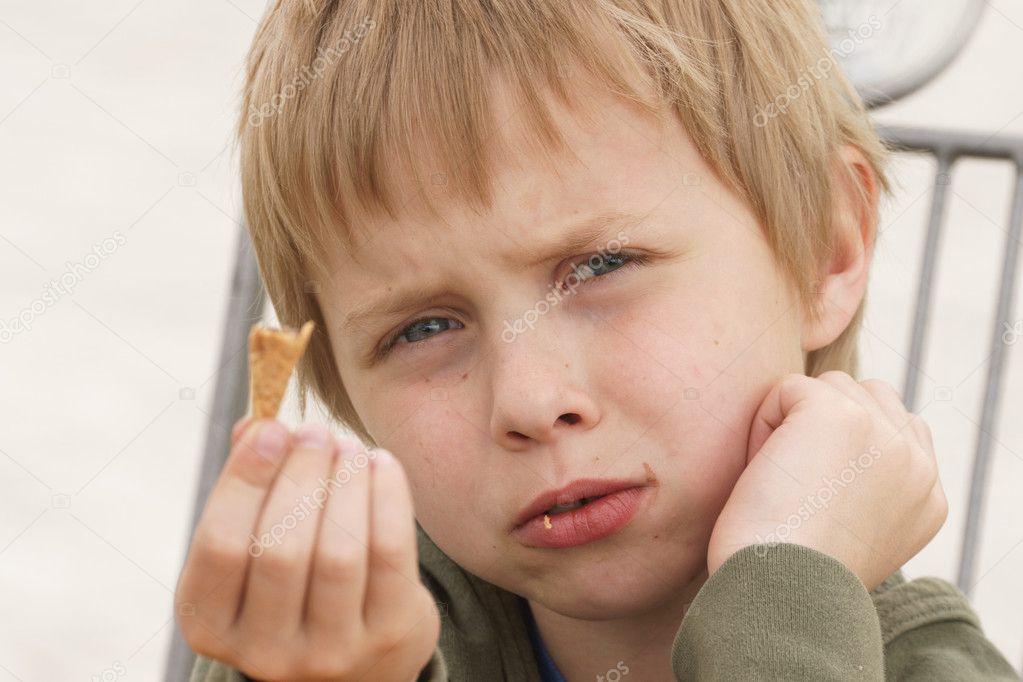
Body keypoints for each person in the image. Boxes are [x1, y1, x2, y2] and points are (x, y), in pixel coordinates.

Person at [174, 0, 1022, 679]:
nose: (531, 401)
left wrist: (778, 598)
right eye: (424, 328)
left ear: (826, 247)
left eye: (600, 267)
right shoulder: (333, 647)